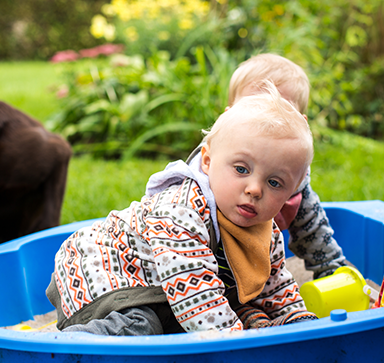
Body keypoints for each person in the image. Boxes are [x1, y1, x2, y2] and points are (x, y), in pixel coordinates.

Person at [46, 82, 317, 335]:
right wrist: (236, 341)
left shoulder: (264, 230)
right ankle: (60, 351)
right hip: (102, 274)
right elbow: (196, 299)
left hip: (159, 285)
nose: (255, 189)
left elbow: (275, 285)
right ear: (208, 161)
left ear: (292, 190)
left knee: (229, 307)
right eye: (241, 169)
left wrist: (297, 322)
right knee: (142, 326)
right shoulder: (182, 211)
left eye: (274, 182)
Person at [188, 53, 347, 280]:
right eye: (254, 107)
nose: (265, 120)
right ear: (229, 115)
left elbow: (313, 231)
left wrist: (334, 273)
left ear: (301, 124)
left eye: (280, 112)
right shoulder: (207, 176)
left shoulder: (295, 186)